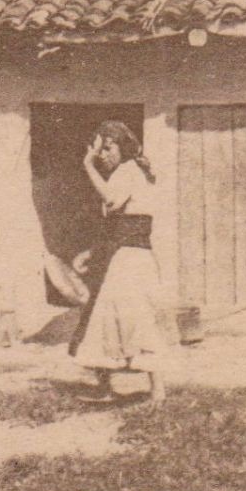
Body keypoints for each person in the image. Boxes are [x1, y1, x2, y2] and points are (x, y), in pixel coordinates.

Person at [69, 121, 168, 404]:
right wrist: (94, 252)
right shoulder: (127, 173)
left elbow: (113, 202)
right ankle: (106, 387)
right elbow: (117, 223)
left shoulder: (128, 171)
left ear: (122, 147)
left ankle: (156, 390)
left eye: (107, 148)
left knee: (133, 318)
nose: (102, 155)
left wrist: (87, 165)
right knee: (104, 317)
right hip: (123, 254)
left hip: (130, 258)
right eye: (98, 149)